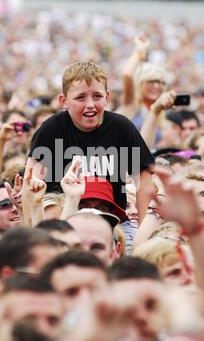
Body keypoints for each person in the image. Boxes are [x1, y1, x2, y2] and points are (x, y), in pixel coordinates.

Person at [26, 62, 155, 223]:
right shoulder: (51, 129)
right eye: (80, 97)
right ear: (64, 101)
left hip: (113, 222)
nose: (90, 105)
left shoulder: (121, 127)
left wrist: (143, 232)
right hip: (64, 221)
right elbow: (30, 185)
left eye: (97, 96)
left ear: (107, 97)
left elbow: (144, 182)